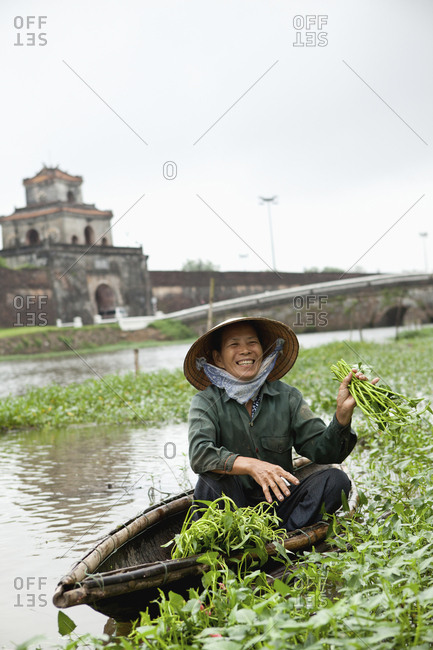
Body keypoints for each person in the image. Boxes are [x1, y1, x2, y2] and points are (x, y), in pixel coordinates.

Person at [183, 316, 377, 532]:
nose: (245, 350)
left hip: (280, 504)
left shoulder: (287, 397)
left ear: (262, 351)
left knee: (336, 480)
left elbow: (325, 452)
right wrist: (251, 465)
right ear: (218, 359)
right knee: (210, 481)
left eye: (252, 343)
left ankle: (285, 537)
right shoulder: (206, 401)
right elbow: (200, 454)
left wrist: (342, 414)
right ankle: (237, 540)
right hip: (233, 509)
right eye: (234, 344)